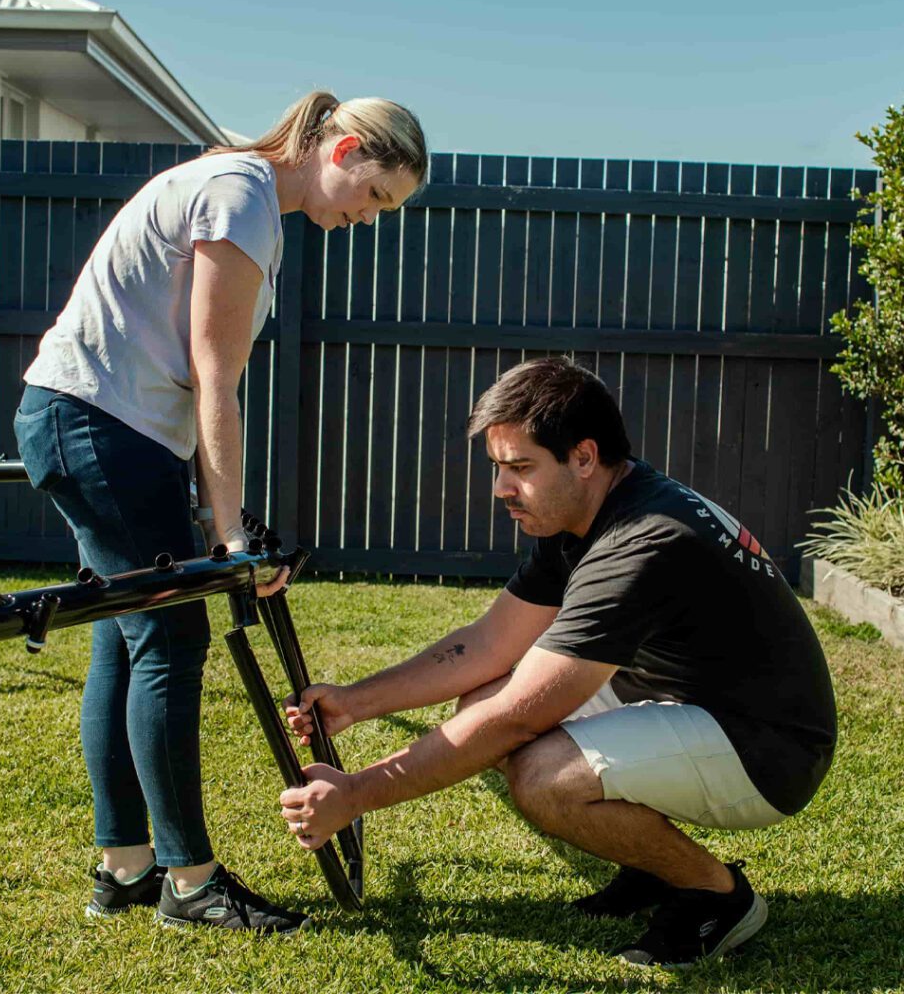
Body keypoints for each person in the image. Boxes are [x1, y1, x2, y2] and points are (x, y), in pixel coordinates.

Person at [13, 92, 426, 932]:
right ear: (343, 150)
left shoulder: (234, 189)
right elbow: (215, 375)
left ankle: (126, 867)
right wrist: (231, 530)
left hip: (91, 421)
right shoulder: (242, 195)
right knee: (170, 637)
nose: (370, 218)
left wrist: (214, 510)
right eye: (377, 196)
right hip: (101, 426)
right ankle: (190, 882)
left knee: (124, 641)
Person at [280, 356, 837, 965]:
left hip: (767, 750)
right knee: (483, 701)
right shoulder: (582, 512)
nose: (501, 489)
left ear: (584, 456)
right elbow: (492, 641)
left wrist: (355, 794)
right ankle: (651, 865)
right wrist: (356, 701)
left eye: (520, 468)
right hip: (694, 703)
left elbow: (517, 719)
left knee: (543, 774)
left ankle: (716, 895)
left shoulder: (643, 540)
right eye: (498, 468)